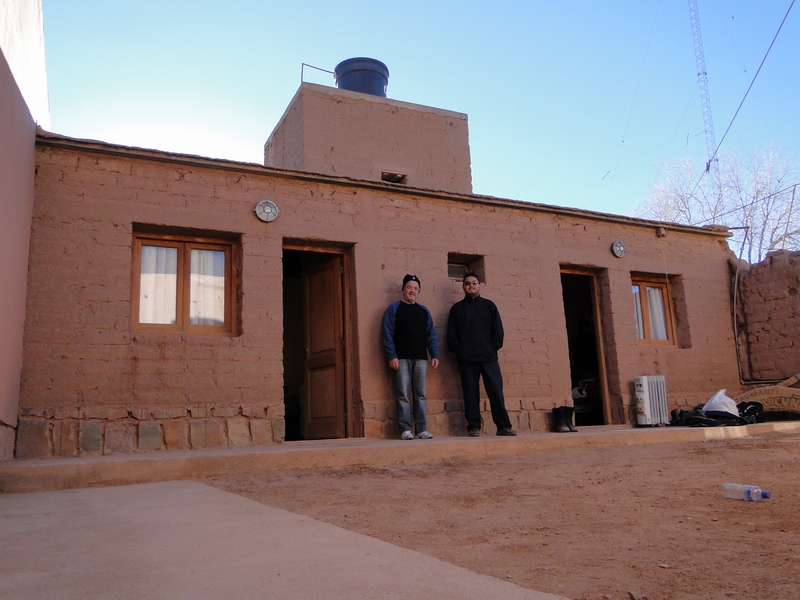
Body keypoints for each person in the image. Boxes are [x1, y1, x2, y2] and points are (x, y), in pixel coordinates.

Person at [447, 272, 516, 437]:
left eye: (474, 282)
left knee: (495, 392)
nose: (471, 285)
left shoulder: (489, 306)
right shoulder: (457, 309)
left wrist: (492, 348)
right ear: (463, 287)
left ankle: (503, 426)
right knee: (470, 394)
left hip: (488, 358)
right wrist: (460, 350)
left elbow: (498, 332)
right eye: (468, 283)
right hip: (466, 360)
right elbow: (451, 335)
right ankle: (473, 427)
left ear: (479, 285)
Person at [381, 274, 440, 440]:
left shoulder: (423, 311)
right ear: (403, 290)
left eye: (415, 288)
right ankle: (405, 429)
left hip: (421, 358)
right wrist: (392, 356)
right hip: (401, 359)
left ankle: (421, 429)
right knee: (403, 394)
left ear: (418, 291)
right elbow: (387, 333)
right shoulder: (394, 309)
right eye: (409, 287)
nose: (412, 291)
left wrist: (434, 353)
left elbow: (431, 334)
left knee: (420, 394)